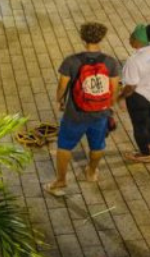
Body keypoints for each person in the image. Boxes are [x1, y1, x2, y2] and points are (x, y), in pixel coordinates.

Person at [46, 22, 122, 196]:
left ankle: (61, 181)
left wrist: (59, 101)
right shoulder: (110, 62)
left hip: (75, 114)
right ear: (101, 38)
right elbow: (114, 90)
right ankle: (91, 172)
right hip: (100, 113)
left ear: (82, 38)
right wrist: (108, 106)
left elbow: (62, 87)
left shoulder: (71, 61)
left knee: (64, 146)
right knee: (98, 145)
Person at [118, 22, 150, 164]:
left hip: (140, 97)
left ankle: (145, 153)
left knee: (139, 125)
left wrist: (120, 97)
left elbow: (131, 86)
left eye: (131, 37)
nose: (129, 40)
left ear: (138, 41)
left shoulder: (134, 60)